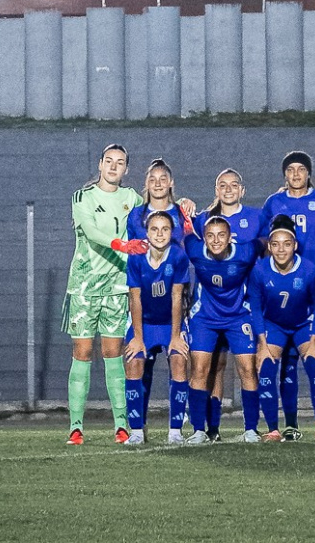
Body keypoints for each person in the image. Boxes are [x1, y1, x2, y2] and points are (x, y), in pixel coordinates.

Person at [62, 144, 144, 446]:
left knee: (113, 353)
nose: (113, 166)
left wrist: (181, 204)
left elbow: (156, 211)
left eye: (119, 162)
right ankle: (76, 427)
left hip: (117, 286)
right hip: (85, 286)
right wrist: (121, 245)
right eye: (108, 161)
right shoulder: (82, 197)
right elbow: (92, 231)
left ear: (126, 169)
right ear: (100, 164)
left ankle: (121, 426)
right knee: (82, 353)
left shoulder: (132, 198)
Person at [261, 151, 315, 439]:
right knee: (287, 363)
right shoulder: (274, 202)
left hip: (314, 289)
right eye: (291, 169)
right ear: (285, 174)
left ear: (309, 174)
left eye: (301, 169)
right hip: (282, 288)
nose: (295, 174)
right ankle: (291, 425)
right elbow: (261, 237)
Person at [192, 169, 266, 441]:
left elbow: (269, 241)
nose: (228, 189)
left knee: (246, 368)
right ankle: (203, 430)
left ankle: (251, 429)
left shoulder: (255, 222)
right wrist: (183, 206)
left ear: (242, 190)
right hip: (208, 312)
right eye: (222, 185)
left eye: (234, 184)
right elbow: (179, 233)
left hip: (240, 310)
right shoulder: (201, 222)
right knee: (208, 368)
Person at [123, 159, 195, 438]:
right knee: (137, 359)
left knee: (180, 358)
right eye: (152, 178)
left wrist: (176, 335)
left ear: (171, 183)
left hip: (172, 304)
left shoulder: (181, 214)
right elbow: (134, 292)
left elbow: (196, 238)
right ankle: (137, 429)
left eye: (163, 178)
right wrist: (137, 336)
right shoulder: (136, 217)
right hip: (144, 307)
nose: (157, 183)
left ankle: (177, 428)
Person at [248, 215, 315, 442]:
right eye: (275, 244)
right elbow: (255, 307)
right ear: (269, 247)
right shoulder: (260, 270)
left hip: (303, 324)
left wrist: (314, 341)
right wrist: (262, 343)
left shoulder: (309, 270)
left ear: (294, 245)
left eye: (286, 244)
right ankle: (273, 430)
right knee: (265, 368)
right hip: (274, 325)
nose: (281, 250)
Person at [182, 216, 262, 444]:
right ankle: (198, 430)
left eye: (221, 235)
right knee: (199, 370)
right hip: (204, 317)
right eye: (210, 235)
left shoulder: (245, 252)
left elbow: (264, 242)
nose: (215, 240)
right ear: (204, 238)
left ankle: (251, 430)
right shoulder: (195, 250)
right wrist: (188, 210)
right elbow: (184, 233)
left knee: (248, 369)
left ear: (229, 238)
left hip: (238, 317)